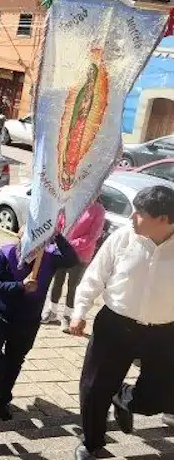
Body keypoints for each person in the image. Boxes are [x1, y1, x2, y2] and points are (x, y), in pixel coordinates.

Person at [69, 186, 174, 460]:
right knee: (93, 388)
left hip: (163, 332)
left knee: (158, 397)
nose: (132, 218)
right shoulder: (123, 238)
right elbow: (95, 275)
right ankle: (92, 443)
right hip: (115, 326)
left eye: (139, 213)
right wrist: (79, 312)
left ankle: (123, 397)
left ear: (163, 219)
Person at [0, 230, 78, 420]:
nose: (32, 248)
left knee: (15, 359)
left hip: (28, 320)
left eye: (37, 243)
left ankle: (3, 397)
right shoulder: (5, 254)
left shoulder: (49, 257)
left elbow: (72, 259)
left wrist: (56, 235)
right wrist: (19, 286)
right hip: (0, 314)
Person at [41, 201, 106, 332]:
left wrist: (69, 245)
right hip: (61, 251)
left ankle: (67, 316)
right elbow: (59, 225)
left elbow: (93, 236)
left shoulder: (98, 210)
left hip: (80, 255)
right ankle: (52, 311)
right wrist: (57, 241)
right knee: (57, 282)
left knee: (73, 286)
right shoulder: (70, 204)